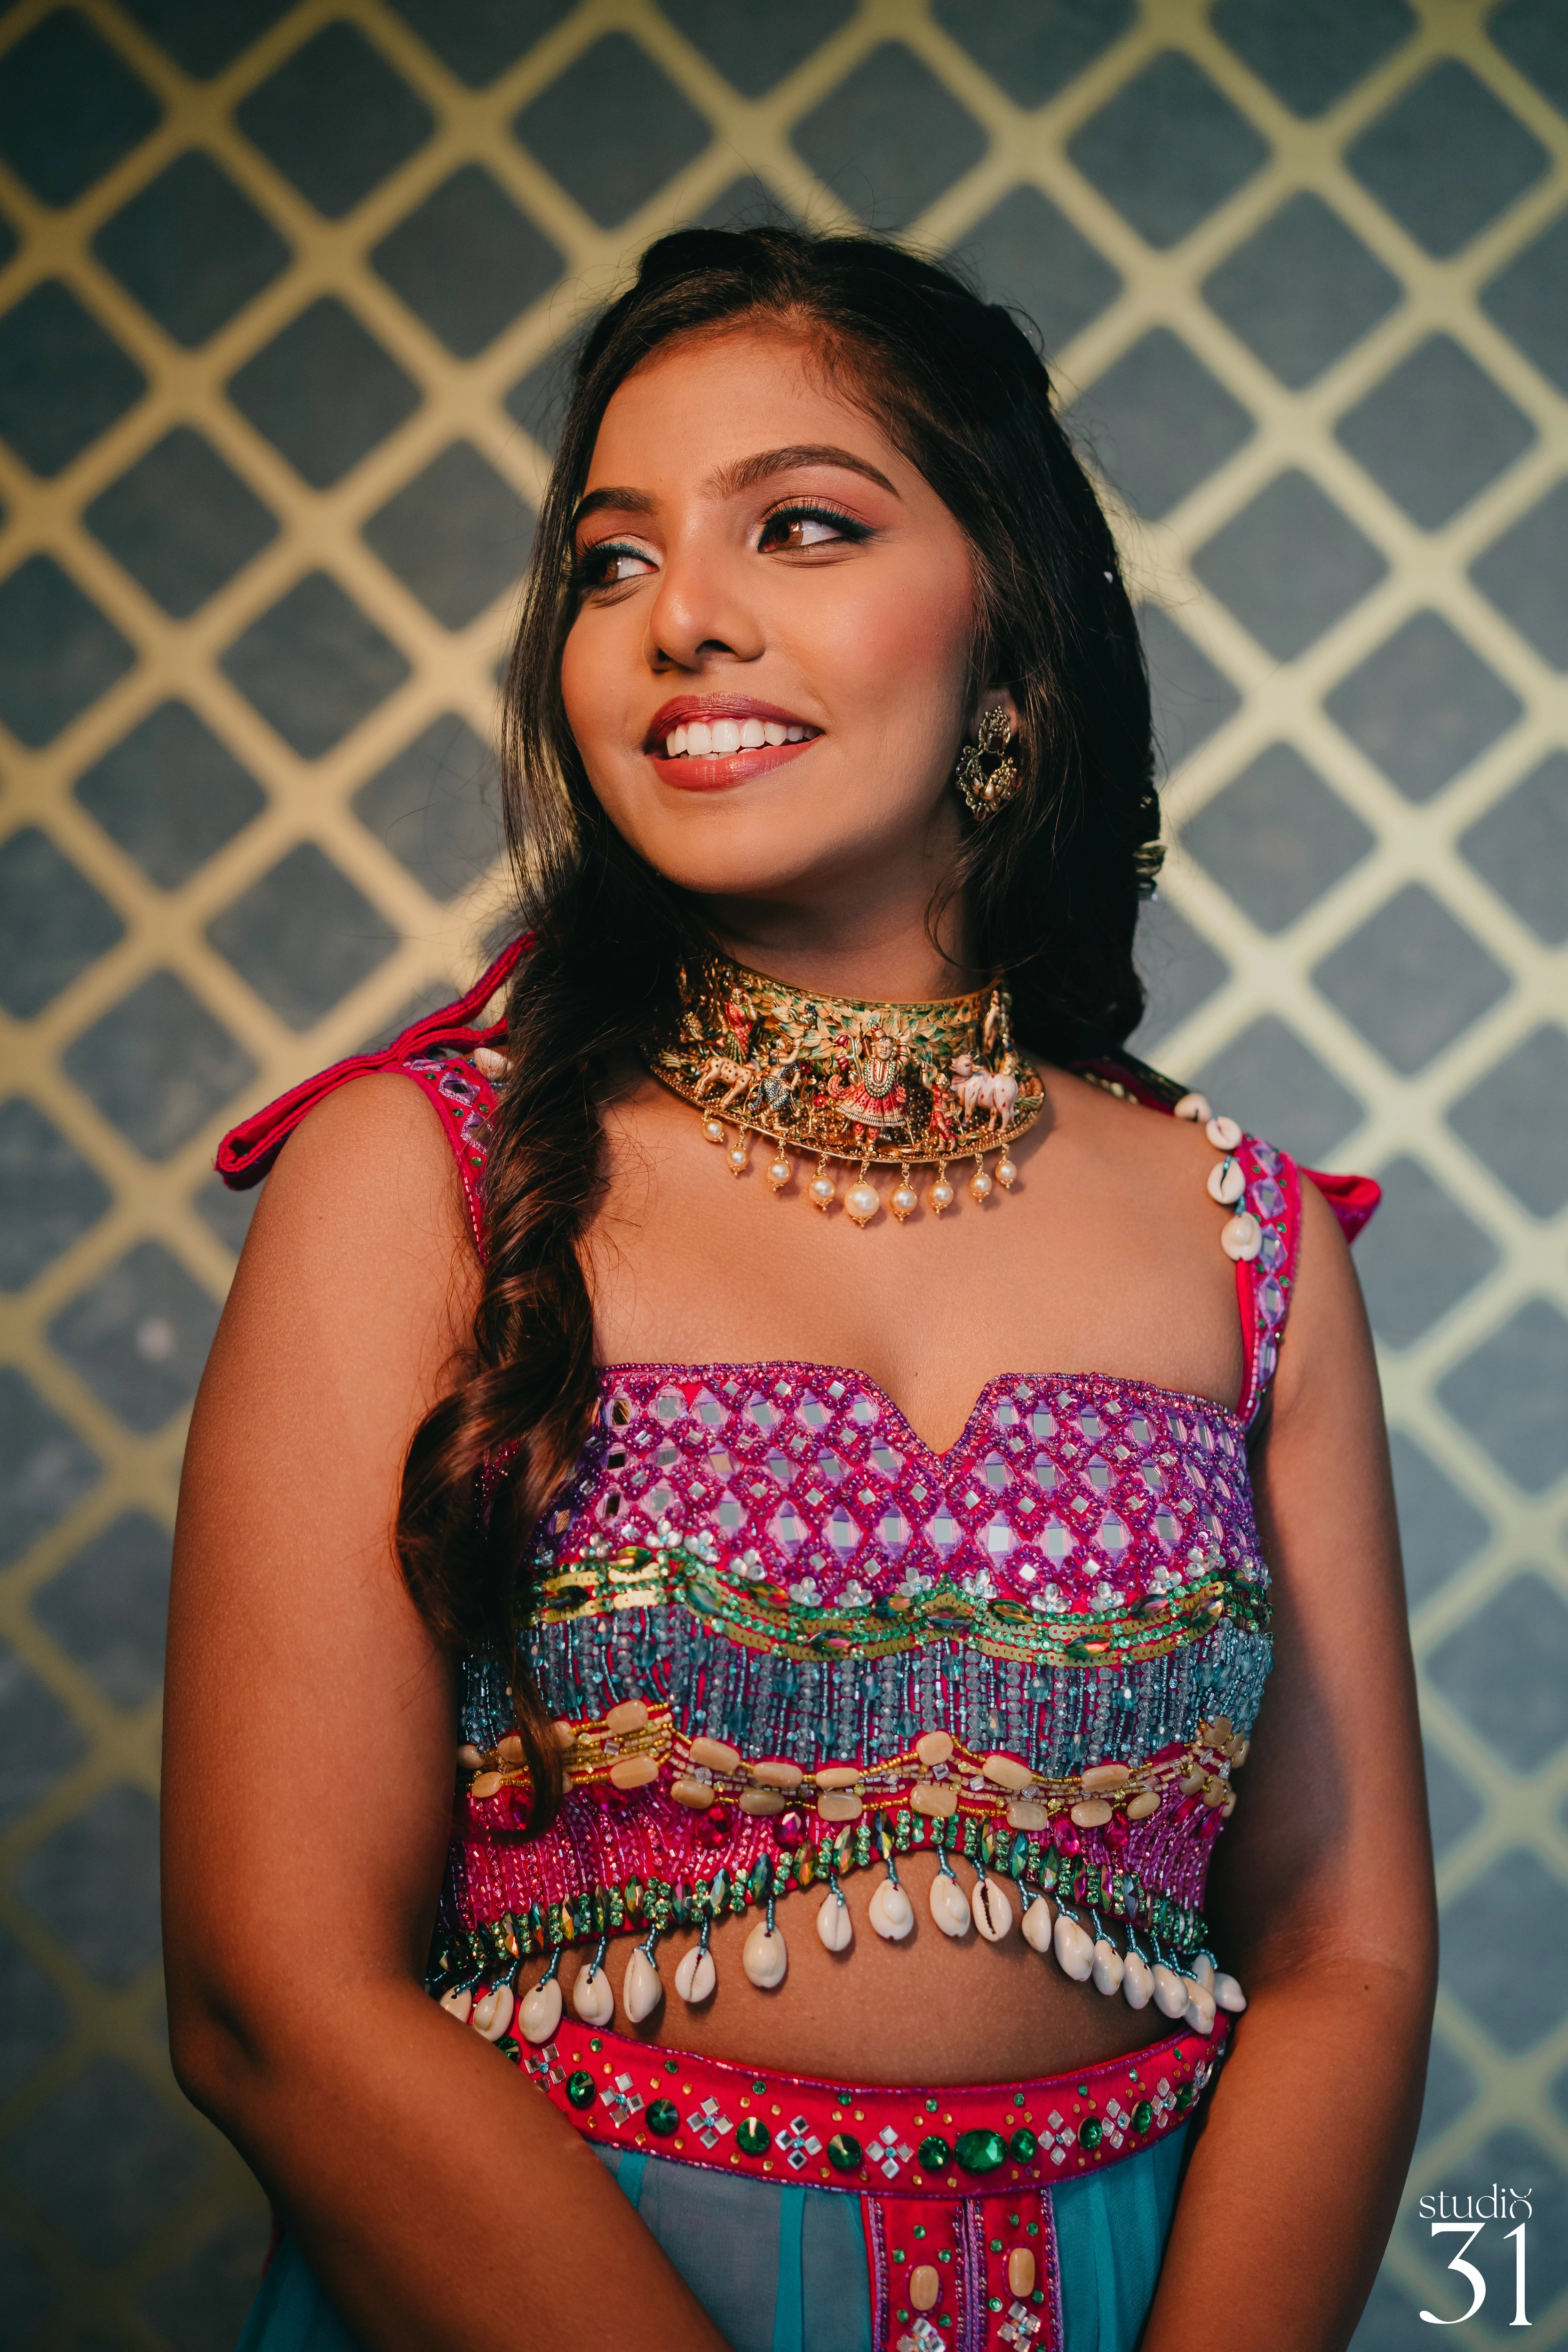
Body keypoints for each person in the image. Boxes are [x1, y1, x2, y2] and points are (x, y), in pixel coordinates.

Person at [163, 228, 1436, 2352]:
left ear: (1011, 652)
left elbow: (1348, 1955)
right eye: (609, 561)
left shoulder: (1248, 1231)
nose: (683, 619)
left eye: (803, 526)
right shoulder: (424, 1176)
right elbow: (270, 1999)